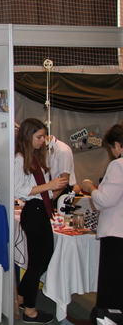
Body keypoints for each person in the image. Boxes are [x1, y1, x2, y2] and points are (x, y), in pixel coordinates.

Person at [14, 118, 68, 324]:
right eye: (39, 136)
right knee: (38, 263)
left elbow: (42, 190)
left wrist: (55, 188)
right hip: (34, 213)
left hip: (41, 211)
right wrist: (49, 186)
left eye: (44, 136)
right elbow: (19, 190)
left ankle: (22, 296)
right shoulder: (20, 159)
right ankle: (30, 310)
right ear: (28, 136)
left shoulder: (35, 158)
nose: (43, 140)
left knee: (43, 260)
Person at [80, 123, 123, 314]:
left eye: (112, 148)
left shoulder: (118, 165)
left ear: (118, 145)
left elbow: (105, 200)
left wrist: (90, 188)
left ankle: (108, 318)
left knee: (112, 285)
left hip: (116, 233)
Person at [46, 135, 81, 202]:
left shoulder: (62, 150)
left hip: (62, 192)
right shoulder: (46, 149)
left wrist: (49, 201)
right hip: (52, 190)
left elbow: (64, 181)